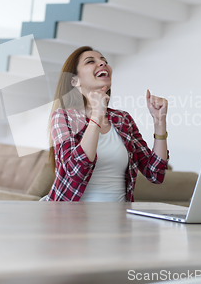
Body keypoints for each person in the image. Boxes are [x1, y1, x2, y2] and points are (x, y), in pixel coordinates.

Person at [43, 46, 169, 201]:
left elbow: (155, 174)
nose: (103, 64)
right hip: (71, 220)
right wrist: (97, 114)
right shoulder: (64, 117)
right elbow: (75, 172)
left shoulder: (122, 119)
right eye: (90, 61)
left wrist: (159, 121)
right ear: (74, 81)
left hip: (118, 221)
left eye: (105, 61)